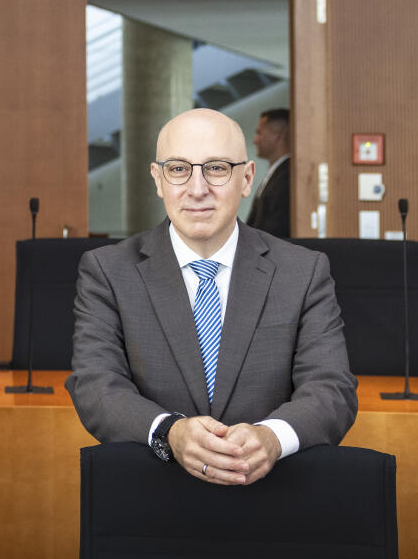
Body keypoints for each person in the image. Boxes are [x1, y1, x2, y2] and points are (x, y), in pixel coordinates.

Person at [66, 108, 356, 487]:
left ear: (247, 177)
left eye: (217, 168)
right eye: (178, 169)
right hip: (150, 505)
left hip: (274, 504)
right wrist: (170, 432)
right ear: (158, 179)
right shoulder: (107, 271)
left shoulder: (303, 273)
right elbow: (96, 384)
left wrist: (272, 437)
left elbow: (332, 388)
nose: (197, 188)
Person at [246, 108, 291, 238]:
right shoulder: (276, 173)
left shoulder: (286, 178)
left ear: (278, 135)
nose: (255, 140)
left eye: (259, 133)